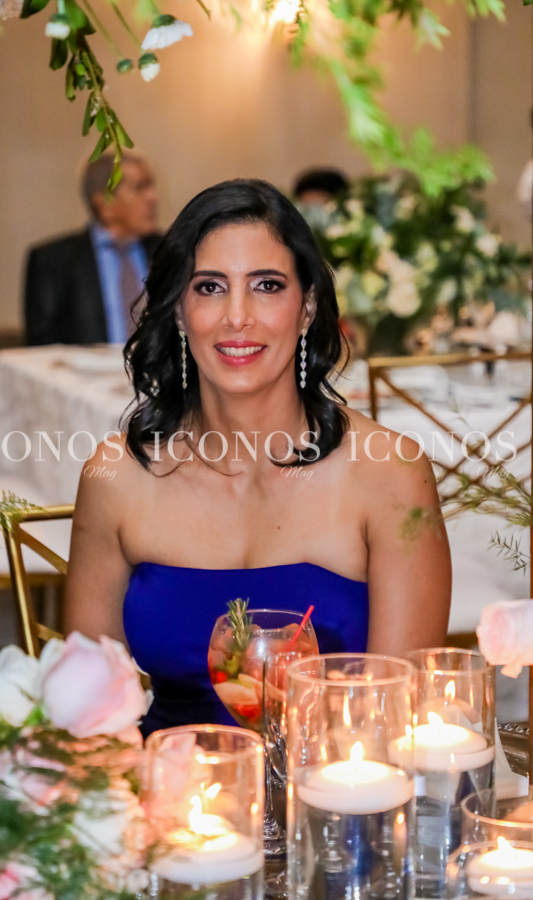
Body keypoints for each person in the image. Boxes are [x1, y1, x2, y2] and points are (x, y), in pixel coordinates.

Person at [64, 179, 451, 736]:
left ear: (307, 306)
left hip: (344, 780)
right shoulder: (116, 477)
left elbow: (399, 719)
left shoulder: (390, 474)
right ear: (179, 312)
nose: (237, 316)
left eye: (267, 285)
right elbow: (86, 724)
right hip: (160, 784)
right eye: (209, 287)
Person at [24, 152, 162, 346]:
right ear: (104, 202)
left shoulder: (170, 251)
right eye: (140, 188)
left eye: (151, 186)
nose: (153, 197)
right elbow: (42, 348)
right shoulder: (52, 262)